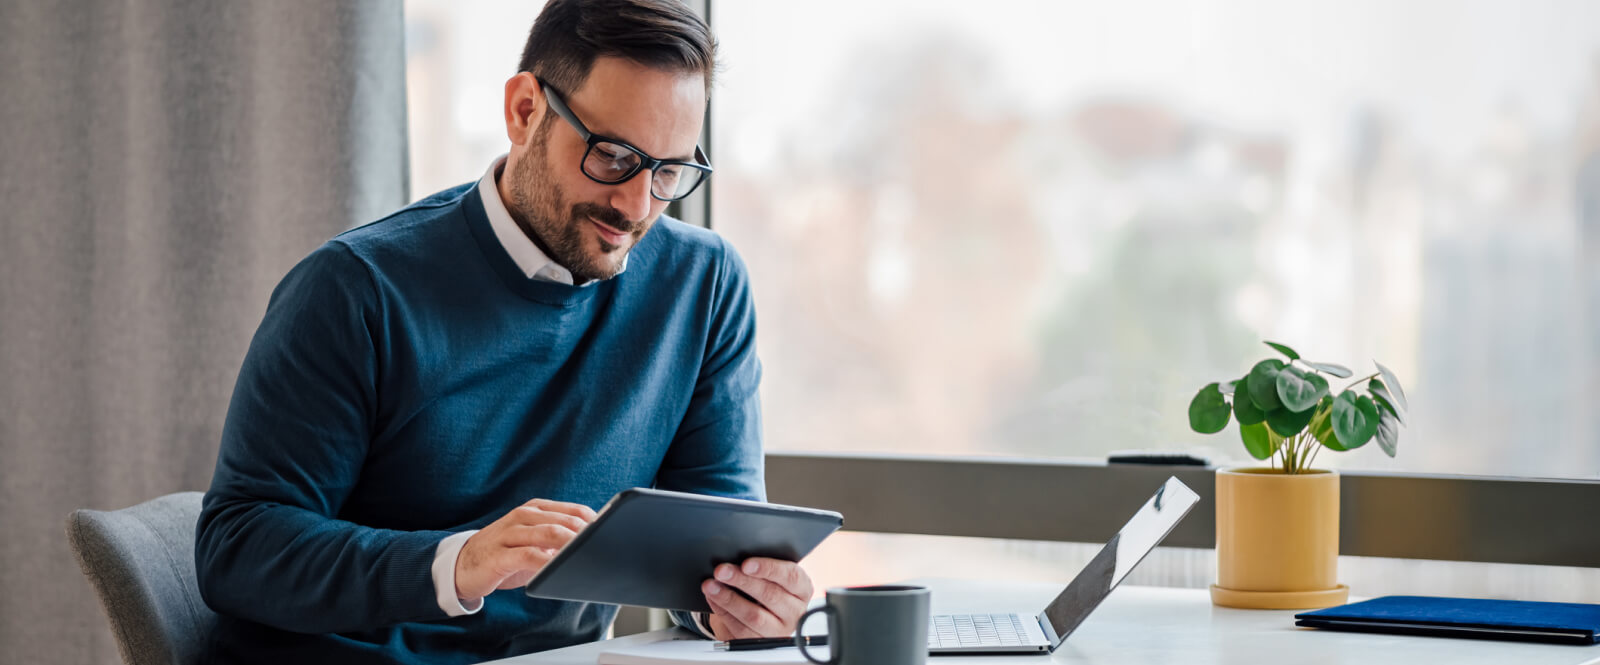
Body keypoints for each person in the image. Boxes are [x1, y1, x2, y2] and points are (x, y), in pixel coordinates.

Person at [193, 1, 813, 663]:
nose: (636, 207)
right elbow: (238, 549)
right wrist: (457, 562)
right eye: (613, 156)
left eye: (667, 172)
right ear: (524, 112)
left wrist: (744, 603)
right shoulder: (355, 289)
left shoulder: (704, 286)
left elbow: (714, 552)